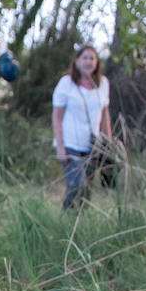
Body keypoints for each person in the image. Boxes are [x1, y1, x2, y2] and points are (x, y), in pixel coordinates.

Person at [51, 45, 112, 209]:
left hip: (92, 144)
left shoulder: (103, 83)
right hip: (70, 142)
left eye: (92, 58)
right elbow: (57, 116)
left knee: (87, 188)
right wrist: (60, 146)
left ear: (97, 62)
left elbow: (104, 114)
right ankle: (68, 220)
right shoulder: (66, 83)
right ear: (77, 61)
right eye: (85, 58)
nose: (88, 62)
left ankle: (81, 223)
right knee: (77, 184)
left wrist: (109, 142)